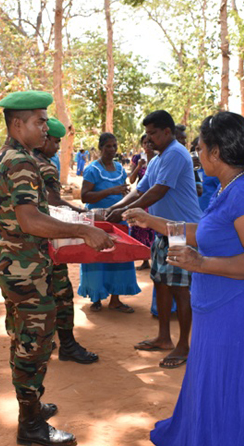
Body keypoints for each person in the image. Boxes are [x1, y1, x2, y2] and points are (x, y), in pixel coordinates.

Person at [125, 111, 244, 446]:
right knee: (215, 393)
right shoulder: (230, 187)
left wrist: (202, 263)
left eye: (199, 148)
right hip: (218, 312)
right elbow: (204, 232)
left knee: (233, 399)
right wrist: (150, 219)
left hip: (239, 315)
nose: (197, 154)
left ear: (216, 153)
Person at [0, 90, 113, 446]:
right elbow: (30, 220)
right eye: (39, 121)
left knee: (24, 336)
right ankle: (29, 425)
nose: (46, 127)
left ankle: (31, 406)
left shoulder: (9, 155)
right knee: (35, 342)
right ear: (18, 124)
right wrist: (82, 229)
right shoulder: (21, 162)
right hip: (25, 267)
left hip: (16, 262)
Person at [107, 110, 203, 368]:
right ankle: (163, 337)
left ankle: (183, 345)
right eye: (146, 134)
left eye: (152, 134)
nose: (148, 139)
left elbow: (158, 192)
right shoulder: (159, 158)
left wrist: (124, 212)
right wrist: (115, 208)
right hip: (163, 230)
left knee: (180, 290)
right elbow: (141, 188)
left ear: (167, 132)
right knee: (161, 282)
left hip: (182, 232)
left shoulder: (174, 153)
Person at [32, 117, 98, 364]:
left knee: (39, 295)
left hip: (30, 243)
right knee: (60, 293)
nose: (57, 148)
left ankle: (45, 343)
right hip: (49, 240)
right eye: (56, 142)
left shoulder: (24, 160)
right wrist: (82, 215)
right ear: (46, 139)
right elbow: (54, 202)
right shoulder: (46, 166)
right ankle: (67, 345)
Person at [79, 132, 141, 312]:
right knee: (97, 257)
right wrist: (111, 191)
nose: (112, 150)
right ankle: (96, 297)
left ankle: (115, 298)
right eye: (108, 146)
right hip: (98, 221)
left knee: (118, 257)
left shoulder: (120, 169)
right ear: (100, 148)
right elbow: (84, 196)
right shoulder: (93, 170)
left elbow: (124, 193)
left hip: (119, 221)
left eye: (114, 146)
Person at [128, 134, 156, 270]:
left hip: (156, 199)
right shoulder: (137, 159)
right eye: (145, 143)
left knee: (154, 228)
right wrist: (138, 167)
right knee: (141, 228)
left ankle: (154, 258)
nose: (148, 145)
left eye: (150, 142)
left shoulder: (159, 158)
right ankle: (145, 260)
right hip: (141, 199)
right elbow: (131, 180)